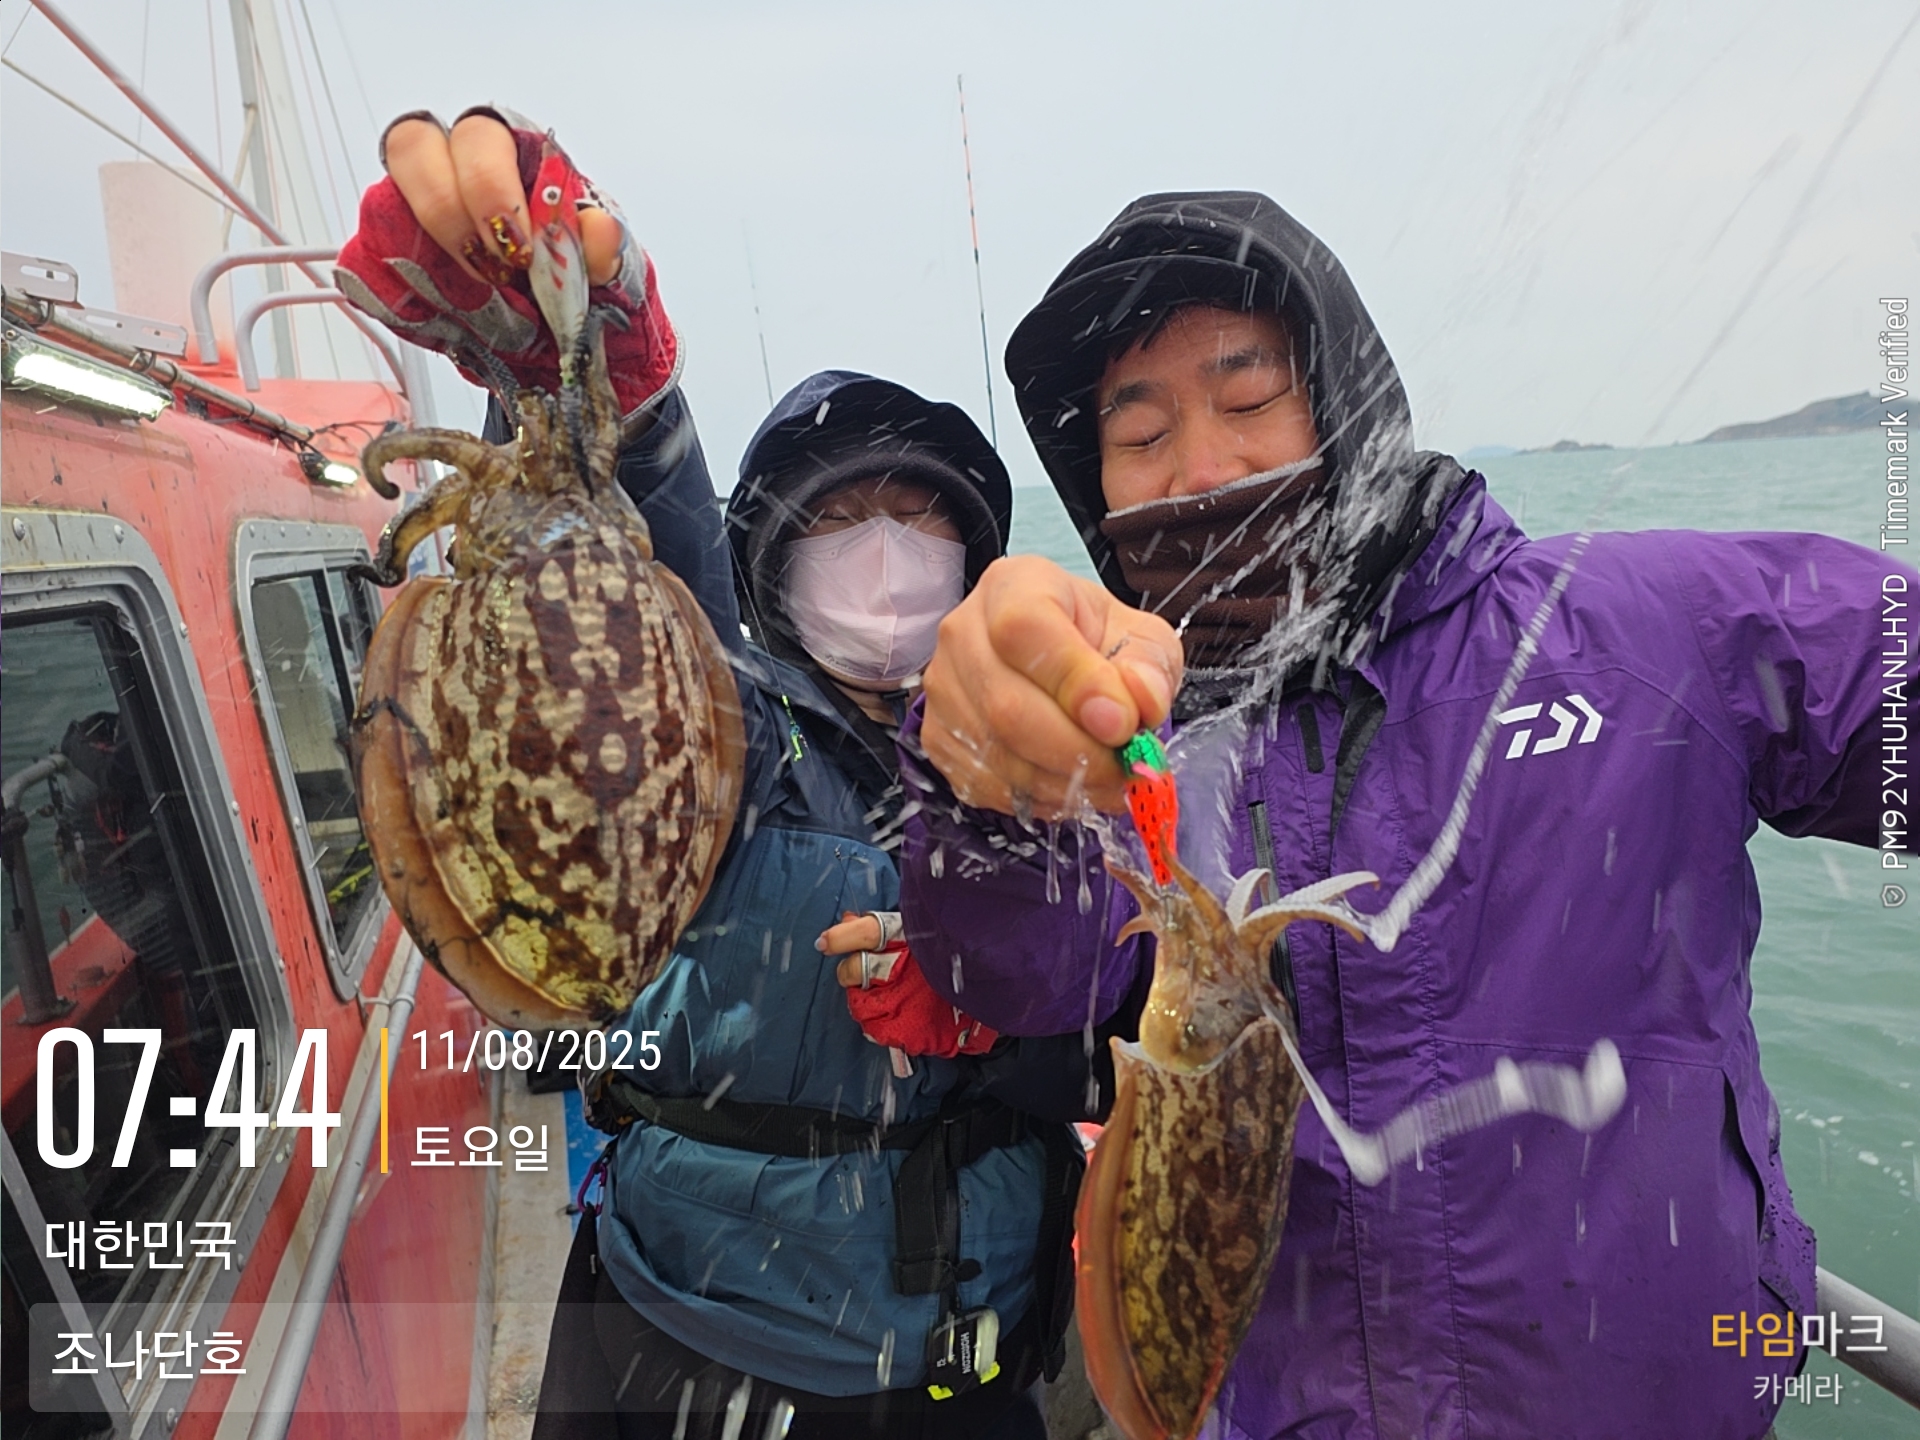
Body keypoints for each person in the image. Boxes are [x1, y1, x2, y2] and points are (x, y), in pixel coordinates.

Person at [899, 190, 1915, 1438]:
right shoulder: (1128, 748)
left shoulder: (1642, 633)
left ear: (1346, 402)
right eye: (1142, 431)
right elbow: (1017, 972)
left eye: (1249, 399)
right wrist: (980, 793)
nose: (1202, 470)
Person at [336, 109, 1111, 1439]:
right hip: (684, 1356)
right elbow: (626, 579)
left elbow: (1143, 1000)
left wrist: (1011, 1014)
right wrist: (593, 358)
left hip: (970, 1370)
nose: (884, 557)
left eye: (921, 524)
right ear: (773, 563)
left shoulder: (1047, 753)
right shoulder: (726, 717)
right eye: (840, 522)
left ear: (976, 563)